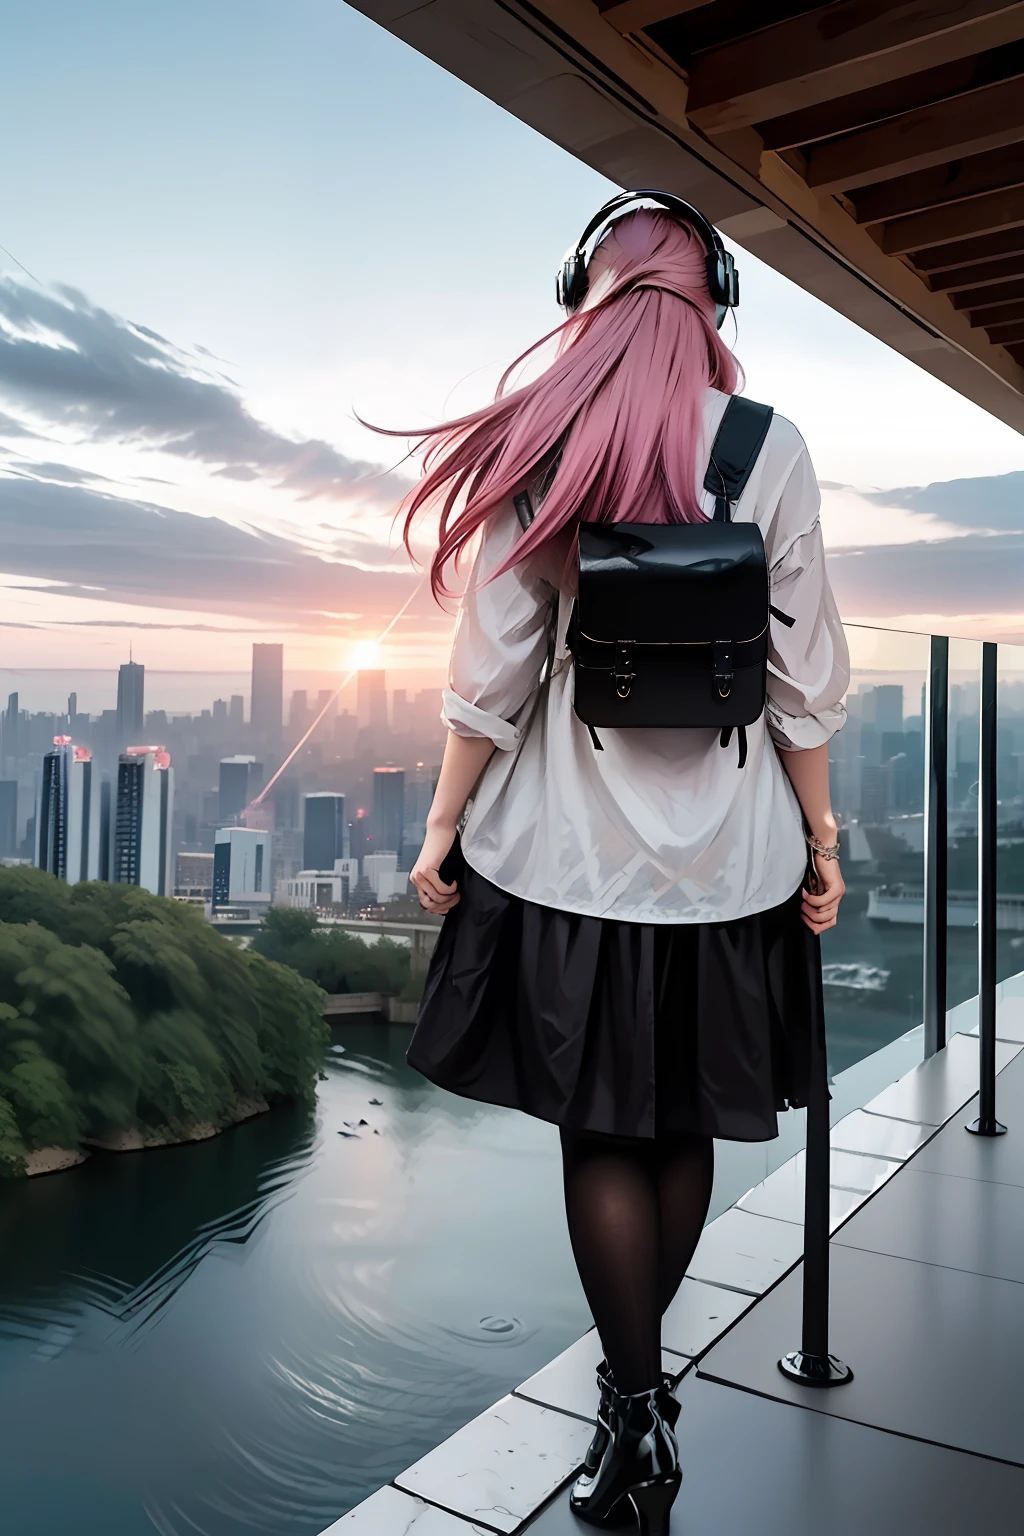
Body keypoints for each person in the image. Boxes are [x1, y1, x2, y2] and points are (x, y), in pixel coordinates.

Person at [379, 197, 848, 1534]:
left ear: (584, 291)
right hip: (730, 867)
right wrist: (820, 840)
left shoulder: (546, 441)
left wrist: (439, 825)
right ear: (719, 300)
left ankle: (632, 1410)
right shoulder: (769, 446)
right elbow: (803, 682)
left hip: (573, 864)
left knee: (602, 1132)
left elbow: (494, 673)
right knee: (681, 1125)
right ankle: (641, 1399)